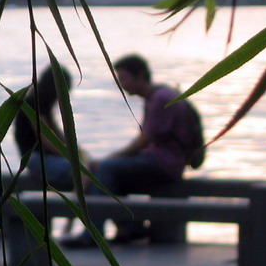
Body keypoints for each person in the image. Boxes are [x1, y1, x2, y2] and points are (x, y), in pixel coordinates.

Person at [64, 54, 197, 247]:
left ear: (140, 75)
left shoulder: (161, 98)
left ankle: (93, 234)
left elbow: (145, 140)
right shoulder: (154, 97)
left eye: (124, 78)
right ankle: (130, 227)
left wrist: (108, 160)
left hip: (165, 162)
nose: (121, 84)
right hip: (161, 159)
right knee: (108, 174)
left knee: (106, 169)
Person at [13, 64, 78, 191]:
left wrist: (75, 151)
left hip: (43, 158)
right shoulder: (34, 102)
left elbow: (55, 133)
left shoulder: (43, 104)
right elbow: (46, 138)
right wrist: (71, 158)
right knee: (76, 172)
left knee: (81, 170)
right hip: (36, 158)